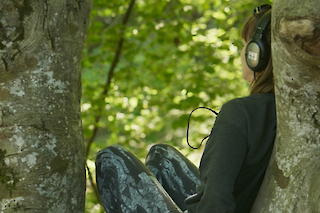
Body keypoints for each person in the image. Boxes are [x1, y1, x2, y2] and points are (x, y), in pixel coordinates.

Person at [95, 4, 276, 213]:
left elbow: (216, 200)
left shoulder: (241, 113)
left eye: (246, 44)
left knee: (111, 158)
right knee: (161, 156)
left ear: (257, 55)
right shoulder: (297, 116)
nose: (242, 51)